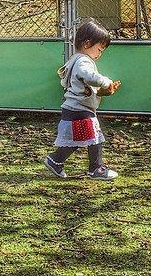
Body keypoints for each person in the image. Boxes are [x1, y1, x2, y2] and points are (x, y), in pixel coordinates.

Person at [44, 19, 121, 180]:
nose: (100, 55)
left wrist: (104, 92)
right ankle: (96, 168)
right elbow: (88, 76)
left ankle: (56, 160)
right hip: (80, 109)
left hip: (75, 108)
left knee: (78, 139)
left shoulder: (75, 59)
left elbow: (86, 86)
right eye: (99, 50)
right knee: (95, 136)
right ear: (87, 44)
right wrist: (105, 81)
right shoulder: (83, 61)